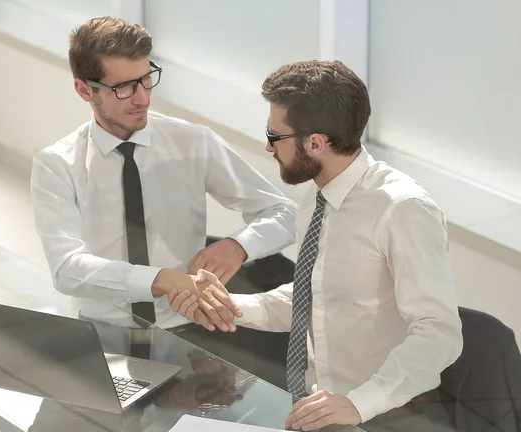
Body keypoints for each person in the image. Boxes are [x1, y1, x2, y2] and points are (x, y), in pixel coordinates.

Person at [168, 60, 464, 429]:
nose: (267, 146)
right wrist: (228, 305)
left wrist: (357, 404)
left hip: (386, 416)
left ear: (316, 143)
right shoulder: (317, 197)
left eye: (275, 136)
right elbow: (311, 297)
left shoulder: (402, 209)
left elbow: (439, 334)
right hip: (319, 412)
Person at [30, 17, 296, 354]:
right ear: (85, 90)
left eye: (145, 79)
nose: (141, 98)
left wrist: (239, 246)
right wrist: (163, 280)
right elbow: (67, 268)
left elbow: (284, 212)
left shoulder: (193, 142)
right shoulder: (57, 165)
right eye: (123, 87)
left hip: (191, 330)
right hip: (102, 332)